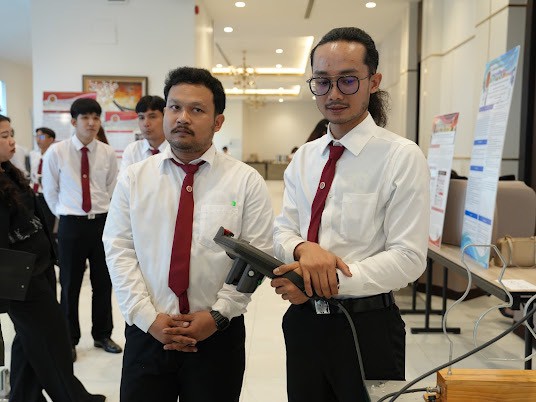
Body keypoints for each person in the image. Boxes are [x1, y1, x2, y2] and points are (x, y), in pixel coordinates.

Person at [271, 27, 430, 402]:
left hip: (367, 326)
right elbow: (282, 231)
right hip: (303, 322)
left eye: (347, 80)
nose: (334, 94)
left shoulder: (401, 157)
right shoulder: (305, 157)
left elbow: (408, 257)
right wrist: (303, 250)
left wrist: (318, 281)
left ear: (373, 82)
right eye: (322, 82)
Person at [102, 66, 274, 402]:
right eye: (175, 107)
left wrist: (219, 314)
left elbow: (257, 255)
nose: (182, 117)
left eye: (197, 109)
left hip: (217, 335)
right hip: (148, 332)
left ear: (218, 122)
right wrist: (147, 317)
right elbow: (119, 249)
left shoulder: (244, 181)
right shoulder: (134, 178)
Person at [0, 114, 106, 402]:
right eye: (4, 136)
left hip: (38, 267)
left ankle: (23, 396)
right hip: (19, 277)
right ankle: (72, 397)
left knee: (29, 339)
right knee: (53, 340)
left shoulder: (9, 171)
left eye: (11, 134)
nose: (12, 141)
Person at [41, 98, 121, 362]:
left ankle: (102, 334)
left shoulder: (107, 152)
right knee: (70, 285)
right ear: (74, 122)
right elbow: (50, 190)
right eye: (85, 118)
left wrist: (101, 212)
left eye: (96, 118)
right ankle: (69, 339)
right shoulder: (57, 152)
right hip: (71, 225)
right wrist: (65, 213)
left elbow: (112, 188)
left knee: (103, 283)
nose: (91, 123)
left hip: (101, 223)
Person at [120, 95, 168, 169]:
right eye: (141, 118)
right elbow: (124, 176)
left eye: (152, 117)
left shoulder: (176, 150)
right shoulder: (132, 151)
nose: (146, 123)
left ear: (165, 118)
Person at [29, 127, 57, 242]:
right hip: (34, 193)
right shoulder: (33, 155)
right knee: (35, 225)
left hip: (47, 195)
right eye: (36, 136)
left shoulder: (55, 156)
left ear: (51, 139)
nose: (38, 139)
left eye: (41, 136)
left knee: (47, 226)